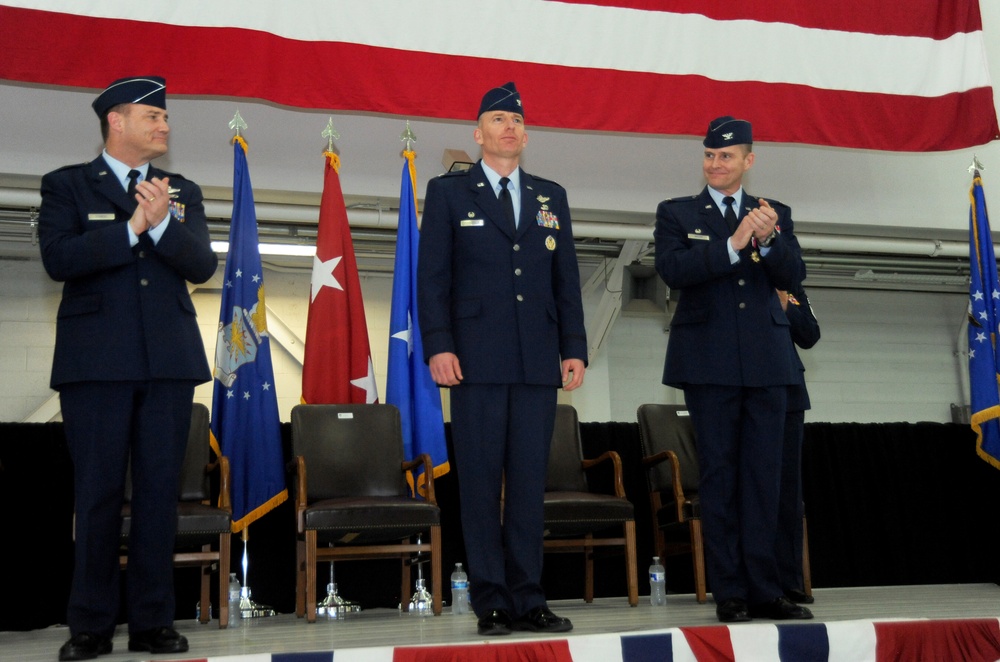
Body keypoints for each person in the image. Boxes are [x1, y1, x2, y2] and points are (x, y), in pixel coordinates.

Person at [38, 76, 217, 661]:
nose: (164, 125)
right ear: (116, 121)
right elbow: (59, 258)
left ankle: (152, 622)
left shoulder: (180, 189)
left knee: (160, 498)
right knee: (96, 495)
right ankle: (89, 625)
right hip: (96, 367)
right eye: (153, 117)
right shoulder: (67, 185)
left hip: (167, 363)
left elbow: (202, 265)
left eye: (165, 118)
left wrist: (163, 223)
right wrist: (132, 229)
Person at [417, 82, 588, 636]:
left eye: (515, 120)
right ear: (478, 133)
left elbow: (567, 282)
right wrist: (439, 345)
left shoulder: (549, 195)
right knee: (481, 485)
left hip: (537, 361)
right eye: (497, 119)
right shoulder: (449, 192)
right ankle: (490, 599)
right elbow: (433, 278)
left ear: (526, 134)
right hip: (475, 360)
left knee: (529, 485)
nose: (508, 127)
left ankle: (529, 597)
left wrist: (575, 348)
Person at [653, 116, 812, 623]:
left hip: (768, 362)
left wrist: (768, 242)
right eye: (709, 156)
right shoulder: (678, 212)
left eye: (726, 156)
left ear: (748, 159)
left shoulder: (775, 213)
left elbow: (793, 276)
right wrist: (733, 243)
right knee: (720, 478)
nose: (715, 164)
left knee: (765, 480)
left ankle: (766, 589)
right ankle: (731, 592)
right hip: (709, 362)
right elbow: (674, 271)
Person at [777, 286, 820, 604]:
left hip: (788, 392)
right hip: (740, 392)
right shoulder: (730, 273)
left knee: (788, 492)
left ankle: (788, 580)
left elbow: (810, 334)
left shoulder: (790, 287)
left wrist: (785, 305)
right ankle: (747, 580)